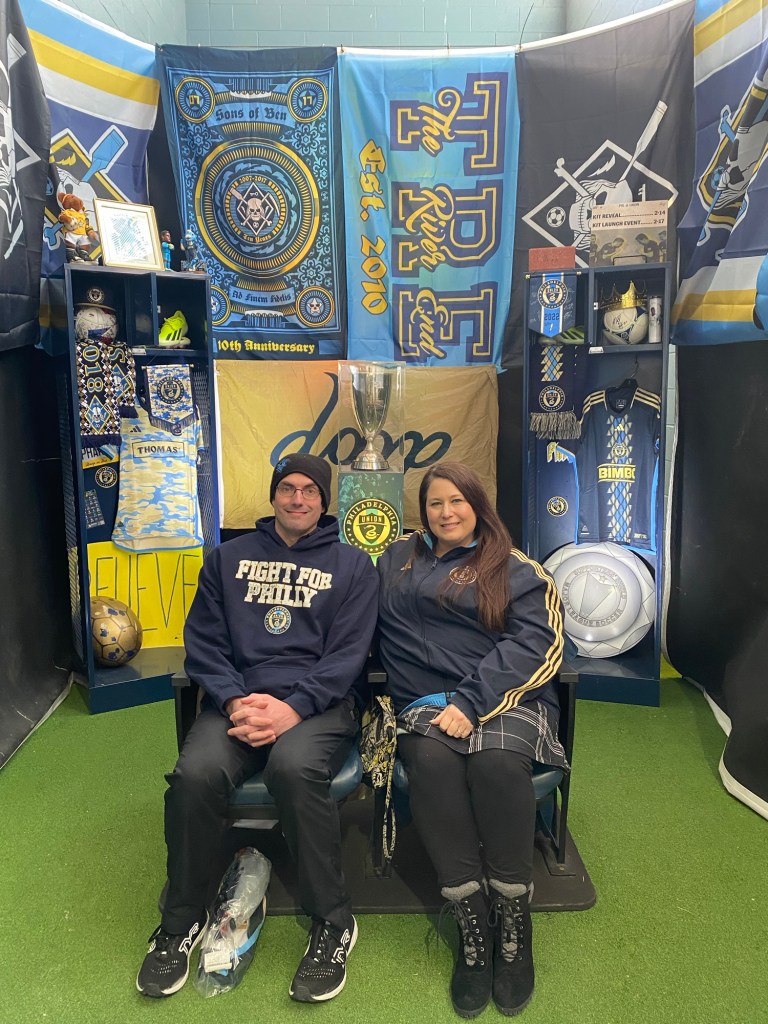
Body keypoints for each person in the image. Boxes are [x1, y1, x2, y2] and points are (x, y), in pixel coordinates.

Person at [137, 453, 379, 1003]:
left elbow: (348, 656)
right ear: (273, 496)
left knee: (294, 769)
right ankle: (180, 921)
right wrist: (234, 701)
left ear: (324, 501)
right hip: (239, 702)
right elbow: (204, 643)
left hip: (318, 705)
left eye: (310, 490)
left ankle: (333, 922)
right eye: (288, 488)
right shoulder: (226, 559)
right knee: (196, 774)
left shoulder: (353, 567)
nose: (298, 499)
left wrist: (293, 708)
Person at [376, 462, 568, 1018]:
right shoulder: (395, 558)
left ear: (478, 506)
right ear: (423, 510)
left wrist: (471, 701)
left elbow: (540, 644)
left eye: (457, 501)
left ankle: (512, 915)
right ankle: (471, 917)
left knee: (496, 765)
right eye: (435, 503)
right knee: (432, 764)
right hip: (423, 704)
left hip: (505, 699)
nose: (447, 513)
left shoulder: (515, 568)